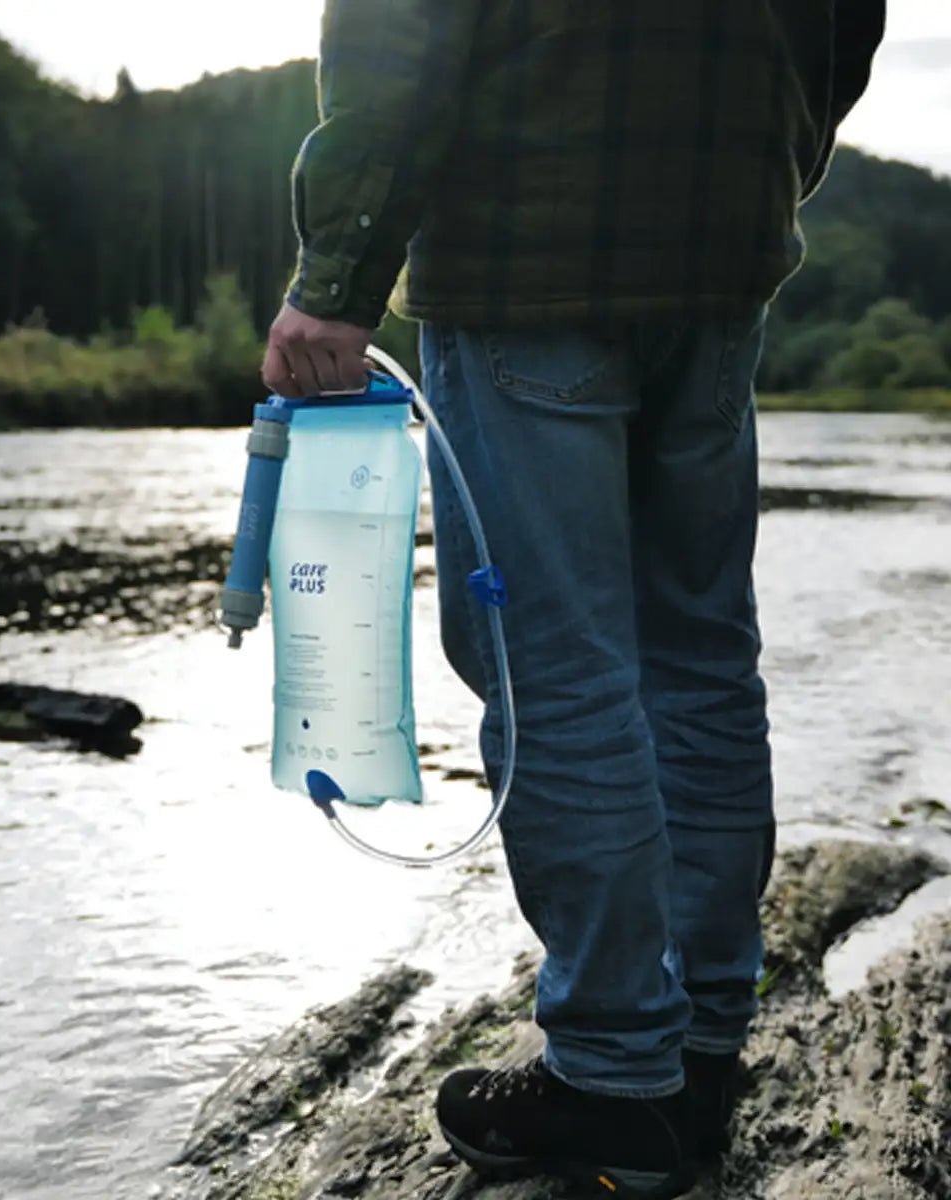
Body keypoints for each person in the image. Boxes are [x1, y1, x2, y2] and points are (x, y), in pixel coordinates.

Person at [261, 3, 885, 1197]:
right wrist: (763, 172)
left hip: (521, 256)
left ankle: (611, 1074)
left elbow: (401, 37)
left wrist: (336, 281)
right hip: (722, 258)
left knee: (560, 669)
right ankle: (699, 1052)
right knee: (700, 657)